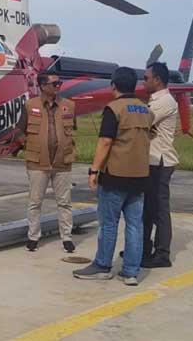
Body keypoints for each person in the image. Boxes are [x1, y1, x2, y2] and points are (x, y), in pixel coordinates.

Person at [73, 67, 153, 286]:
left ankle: (102, 265)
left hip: (116, 175)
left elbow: (105, 141)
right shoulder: (146, 109)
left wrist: (94, 170)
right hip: (140, 176)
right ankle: (130, 272)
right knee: (135, 225)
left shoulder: (113, 108)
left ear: (113, 86)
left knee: (109, 223)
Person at [17, 71, 77, 253]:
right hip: (37, 162)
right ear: (43, 86)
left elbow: (72, 128)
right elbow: (20, 130)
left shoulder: (69, 106)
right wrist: (26, 143)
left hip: (62, 162)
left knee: (65, 202)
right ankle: (33, 237)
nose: (59, 86)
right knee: (35, 202)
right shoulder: (29, 105)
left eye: (60, 83)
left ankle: (67, 238)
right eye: (55, 84)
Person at [142, 62, 177, 268]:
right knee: (148, 208)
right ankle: (144, 248)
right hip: (152, 160)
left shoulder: (163, 101)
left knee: (159, 209)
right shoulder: (156, 100)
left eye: (146, 78)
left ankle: (162, 253)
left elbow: (141, 121)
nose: (144, 81)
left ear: (157, 80)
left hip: (160, 161)